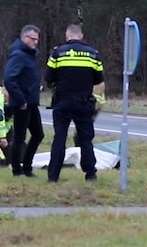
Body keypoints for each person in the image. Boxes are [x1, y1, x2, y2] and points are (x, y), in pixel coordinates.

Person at [44, 24, 105, 182]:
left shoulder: (58, 53)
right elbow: (98, 79)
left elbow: (48, 77)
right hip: (84, 103)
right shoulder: (93, 54)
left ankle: (53, 176)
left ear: (67, 36)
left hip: (63, 102)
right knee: (86, 139)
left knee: (59, 138)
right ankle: (90, 174)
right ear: (81, 36)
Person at [3, 24, 44, 178]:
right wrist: (20, 100)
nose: (35, 42)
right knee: (19, 137)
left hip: (31, 102)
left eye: (37, 39)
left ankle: (27, 167)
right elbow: (9, 79)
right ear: (24, 37)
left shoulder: (29, 55)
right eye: (32, 39)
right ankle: (17, 170)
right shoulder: (19, 55)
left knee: (38, 134)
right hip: (22, 104)